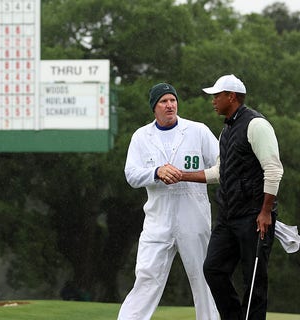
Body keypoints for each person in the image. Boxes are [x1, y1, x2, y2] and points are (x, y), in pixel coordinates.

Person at [175, 74, 283, 320]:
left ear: (231, 97)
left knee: (253, 279)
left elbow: (274, 169)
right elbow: (218, 173)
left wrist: (265, 212)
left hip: (255, 216)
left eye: (217, 96)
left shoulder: (256, 125)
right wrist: (182, 175)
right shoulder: (227, 130)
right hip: (229, 216)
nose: (213, 101)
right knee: (213, 269)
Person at [119, 83, 220, 320]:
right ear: (154, 107)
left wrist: (192, 175)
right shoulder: (141, 136)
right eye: (163, 101)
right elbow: (131, 174)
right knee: (147, 277)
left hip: (194, 217)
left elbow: (222, 165)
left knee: (204, 278)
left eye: (172, 100)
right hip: (158, 219)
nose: (170, 105)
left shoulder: (198, 131)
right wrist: (156, 172)